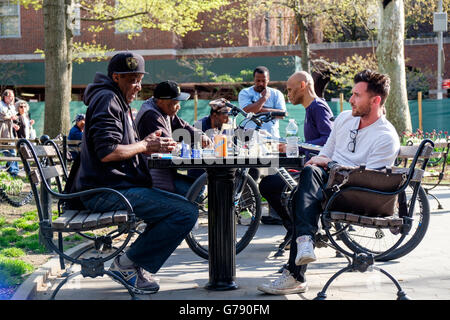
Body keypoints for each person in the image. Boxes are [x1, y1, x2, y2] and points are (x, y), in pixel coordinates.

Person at [257, 69, 400, 295]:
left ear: (376, 100)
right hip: (326, 184)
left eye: (357, 95)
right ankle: (304, 244)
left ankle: (296, 271)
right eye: (352, 94)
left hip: (355, 193)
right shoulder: (344, 119)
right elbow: (324, 154)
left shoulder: (385, 136)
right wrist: (324, 161)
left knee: (303, 188)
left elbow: (371, 181)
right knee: (306, 174)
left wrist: (331, 164)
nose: (351, 100)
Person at [73, 51, 198, 294]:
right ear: (116, 77)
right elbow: (106, 152)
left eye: (139, 79)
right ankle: (127, 265)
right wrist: (145, 146)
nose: (137, 86)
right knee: (185, 212)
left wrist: (145, 140)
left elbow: (117, 144)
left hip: (113, 186)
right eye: (132, 80)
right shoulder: (107, 99)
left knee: (180, 205)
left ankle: (133, 263)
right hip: (104, 191)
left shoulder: (114, 98)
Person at [258, 71, 333, 238]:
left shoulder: (318, 107)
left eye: (290, 90)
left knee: (268, 185)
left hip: (316, 173)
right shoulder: (311, 108)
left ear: (302, 86)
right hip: (309, 167)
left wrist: (295, 147)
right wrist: (290, 147)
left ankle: (294, 227)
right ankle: (294, 226)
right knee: (269, 183)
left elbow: (328, 139)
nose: (288, 94)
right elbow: (314, 141)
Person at [135, 80, 212, 195]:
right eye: (175, 102)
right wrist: (184, 146)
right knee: (198, 191)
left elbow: (183, 126)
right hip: (150, 176)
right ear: (161, 101)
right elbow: (169, 146)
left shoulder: (163, 110)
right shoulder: (151, 115)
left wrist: (200, 135)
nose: (179, 107)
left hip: (162, 171)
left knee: (198, 188)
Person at [0, 89, 20, 176]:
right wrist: (9, 117)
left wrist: (13, 125)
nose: (12, 98)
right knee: (6, 150)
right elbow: (2, 117)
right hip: (2, 131)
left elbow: (10, 120)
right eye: (9, 96)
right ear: (5, 97)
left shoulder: (11, 106)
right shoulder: (0, 105)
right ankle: (11, 170)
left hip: (9, 133)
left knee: (11, 151)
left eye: (12, 96)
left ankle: (13, 171)